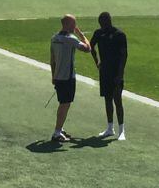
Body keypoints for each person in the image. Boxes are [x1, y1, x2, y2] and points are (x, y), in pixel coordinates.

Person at [50, 14, 91, 143]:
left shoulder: (54, 38)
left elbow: (52, 60)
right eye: (74, 24)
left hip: (58, 76)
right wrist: (81, 35)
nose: (75, 26)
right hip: (67, 77)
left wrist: (53, 76)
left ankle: (60, 129)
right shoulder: (71, 39)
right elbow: (87, 48)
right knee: (65, 104)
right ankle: (57, 132)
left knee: (63, 103)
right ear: (67, 24)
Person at [90, 11, 128, 141]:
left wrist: (120, 74)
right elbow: (91, 46)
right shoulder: (99, 33)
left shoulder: (119, 35)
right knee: (107, 99)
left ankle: (121, 130)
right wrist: (97, 62)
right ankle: (110, 128)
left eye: (104, 22)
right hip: (104, 71)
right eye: (101, 23)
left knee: (117, 100)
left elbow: (124, 56)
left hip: (116, 72)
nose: (102, 25)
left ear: (109, 20)